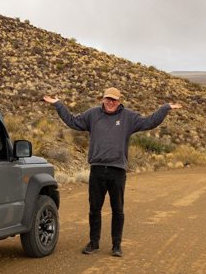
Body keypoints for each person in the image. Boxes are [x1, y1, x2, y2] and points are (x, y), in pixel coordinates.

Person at [43, 88, 182, 257]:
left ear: (119, 101)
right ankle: (94, 243)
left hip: (117, 171)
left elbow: (148, 122)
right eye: (108, 99)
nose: (111, 103)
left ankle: (117, 245)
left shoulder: (128, 117)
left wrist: (164, 108)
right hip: (97, 170)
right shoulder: (93, 114)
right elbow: (73, 122)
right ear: (103, 99)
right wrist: (58, 104)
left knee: (118, 209)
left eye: (114, 100)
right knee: (94, 209)